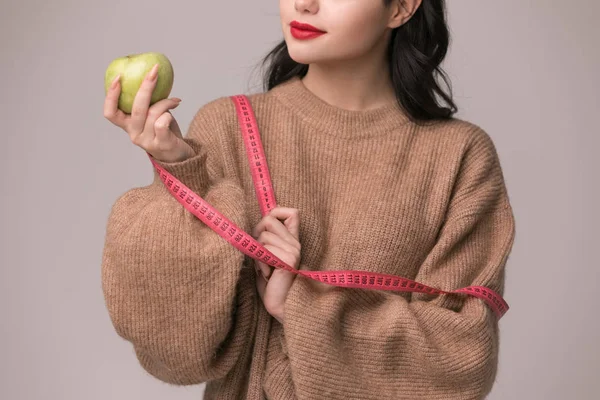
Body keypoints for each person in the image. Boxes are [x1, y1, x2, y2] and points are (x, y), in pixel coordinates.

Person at [101, 0, 516, 399]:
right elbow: (177, 353)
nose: (303, 3)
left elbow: (463, 358)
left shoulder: (459, 155)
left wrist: (298, 305)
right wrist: (179, 171)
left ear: (401, 7)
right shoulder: (228, 126)